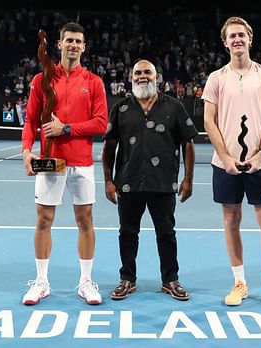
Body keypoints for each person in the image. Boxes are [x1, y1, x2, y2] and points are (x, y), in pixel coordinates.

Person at [202, 16, 261, 309]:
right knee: (231, 221)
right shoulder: (216, 78)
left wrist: (260, 153)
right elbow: (208, 121)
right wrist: (226, 158)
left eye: (242, 35)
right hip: (225, 164)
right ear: (225, 42)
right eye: (232, 36)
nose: (237, 39)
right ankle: (239, 282)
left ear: (250, 39)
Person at [21, 22, 108, 305]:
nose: (73, 45)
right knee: (44, 219)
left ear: (84, 46)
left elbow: (101, 123)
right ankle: (41, 282)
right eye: (68, 40)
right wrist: (26, 151)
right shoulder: (41, 80)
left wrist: (66, 128)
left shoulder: (94, 82)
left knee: (85, 220)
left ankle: (85, 282)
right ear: (59, 44)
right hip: (50, 160)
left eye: (78, 41)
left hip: (81, 161)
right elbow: (31, 119)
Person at [102, 59, 198, 301]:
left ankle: (170, 280)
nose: (142, 76)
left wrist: (188, 179)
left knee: (166, 233)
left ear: (157, 78)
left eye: (148, 72)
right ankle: (127, 279)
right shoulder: (121, 108)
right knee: (127, 233)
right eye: (138, 72)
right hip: (128, 183)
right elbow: (109, 147)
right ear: (131, 77)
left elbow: (188, 143)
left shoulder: (174, 107)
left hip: (163, 183)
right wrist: (108, 181)